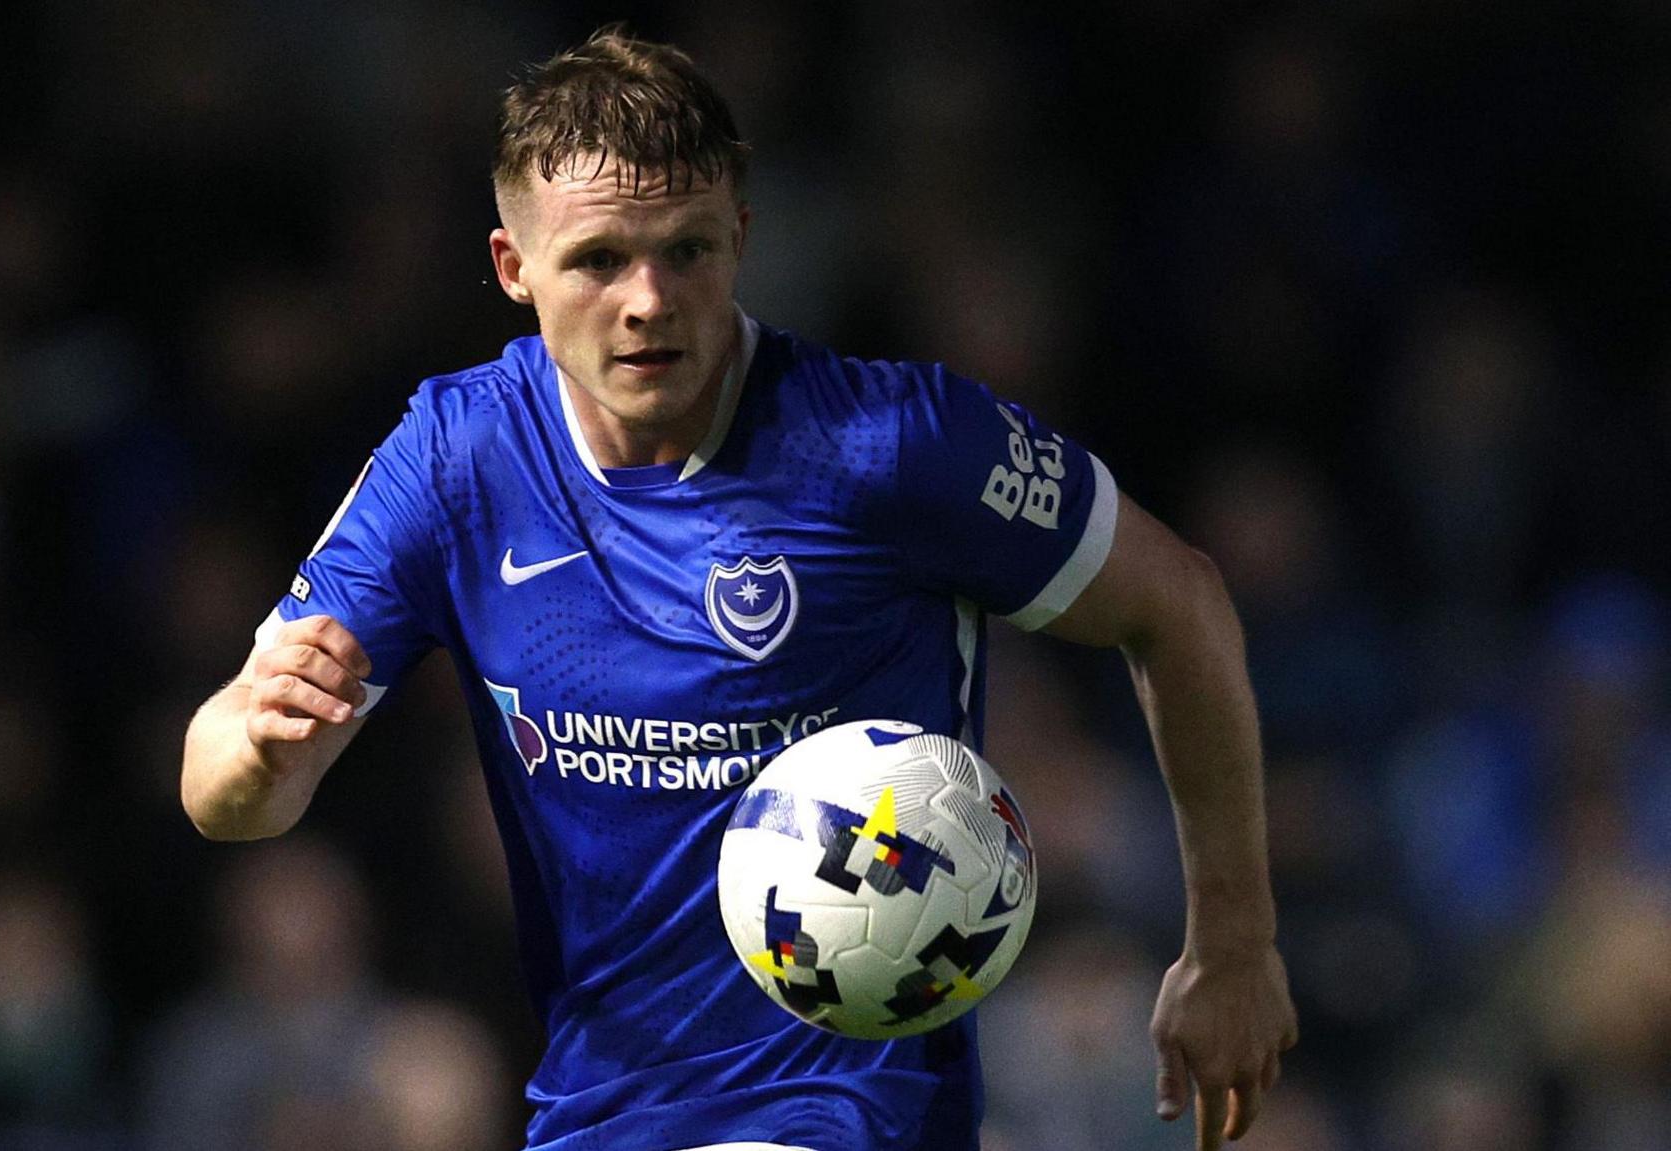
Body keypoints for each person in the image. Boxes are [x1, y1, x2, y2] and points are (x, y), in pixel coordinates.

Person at [181, 27, 1297, 1151]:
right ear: (514, 267)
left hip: (851, 1108)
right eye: (600, 259)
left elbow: (1178, 601)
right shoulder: (455, 459)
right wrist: (263, 748)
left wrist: (1232, 946)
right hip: (596, 1108)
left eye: (688, 250)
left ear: (743, 240)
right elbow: (227, 791)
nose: (649, 299)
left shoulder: (888, 443)